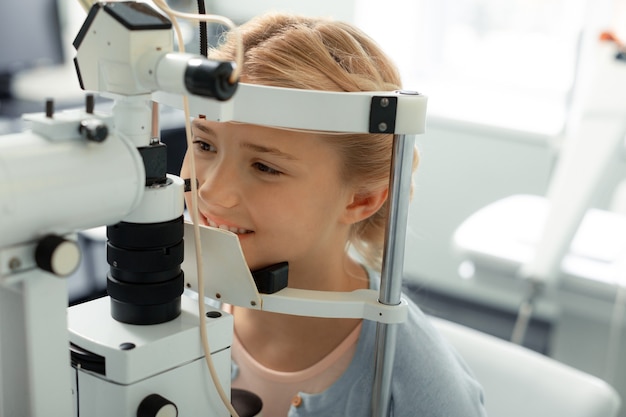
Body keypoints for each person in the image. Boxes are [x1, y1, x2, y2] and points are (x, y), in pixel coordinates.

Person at [180, 12, 487, 417]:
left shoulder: (420, 393)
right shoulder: (175, 304)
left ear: (361, 199)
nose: (212, 191)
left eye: (265, 167)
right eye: (204, 146)